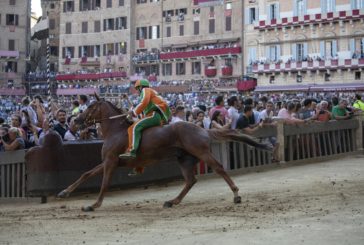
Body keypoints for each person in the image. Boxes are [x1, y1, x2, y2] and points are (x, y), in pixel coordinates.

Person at [119, 79, 171, 167]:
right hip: (154, 116)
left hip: (153, 115)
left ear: (140, 87)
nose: (137, 91)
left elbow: (143, 102)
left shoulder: (145, 90)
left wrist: (133, 113)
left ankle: (131, 151)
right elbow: (140, 108)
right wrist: (131, 108)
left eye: (137, 89)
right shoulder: (150, 93)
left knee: (133, 128)